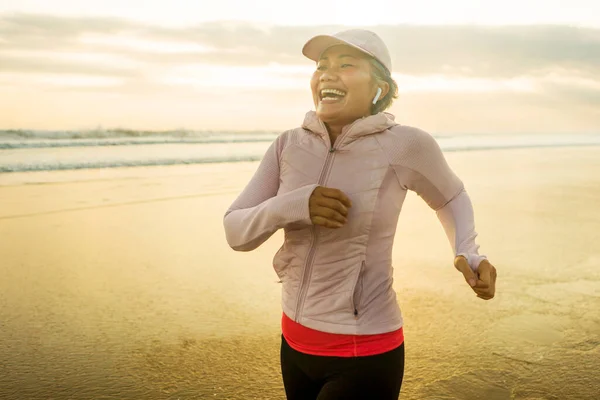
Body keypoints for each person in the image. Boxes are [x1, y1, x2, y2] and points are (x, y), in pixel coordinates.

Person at [223, 29, 497, 400]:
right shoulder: (288, 144)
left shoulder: (405, 144)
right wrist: (293, 205)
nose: (328, 74)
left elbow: (451, 196)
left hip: (365, 353)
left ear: (380, 88)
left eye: (346, 65)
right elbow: (236, 231)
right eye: (322, 66)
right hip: (294, 343)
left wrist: (468, 250)